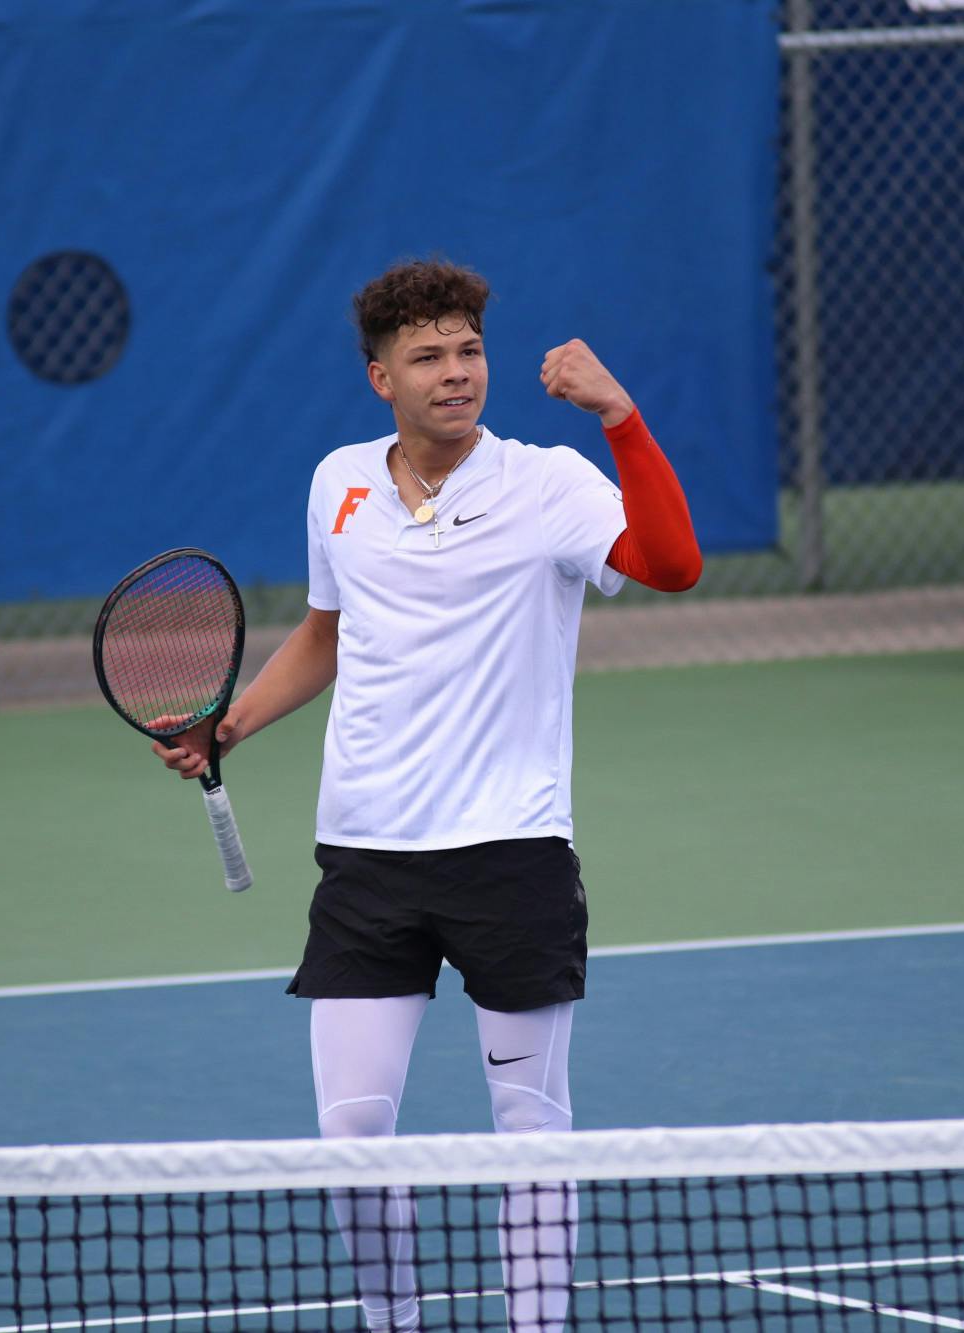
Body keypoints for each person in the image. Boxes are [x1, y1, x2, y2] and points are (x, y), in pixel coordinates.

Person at [151, 258, 701, 1331]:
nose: (456, 374)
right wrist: (231, 726)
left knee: (529, 1131)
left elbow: (671, 563)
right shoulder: (337, 484)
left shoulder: (549, 483)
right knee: (352, 1146)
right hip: (365, 858)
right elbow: (326, 633)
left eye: (469, 351)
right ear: (379, 378)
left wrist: (620, 417)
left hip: (511, 852)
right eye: (428, 357)